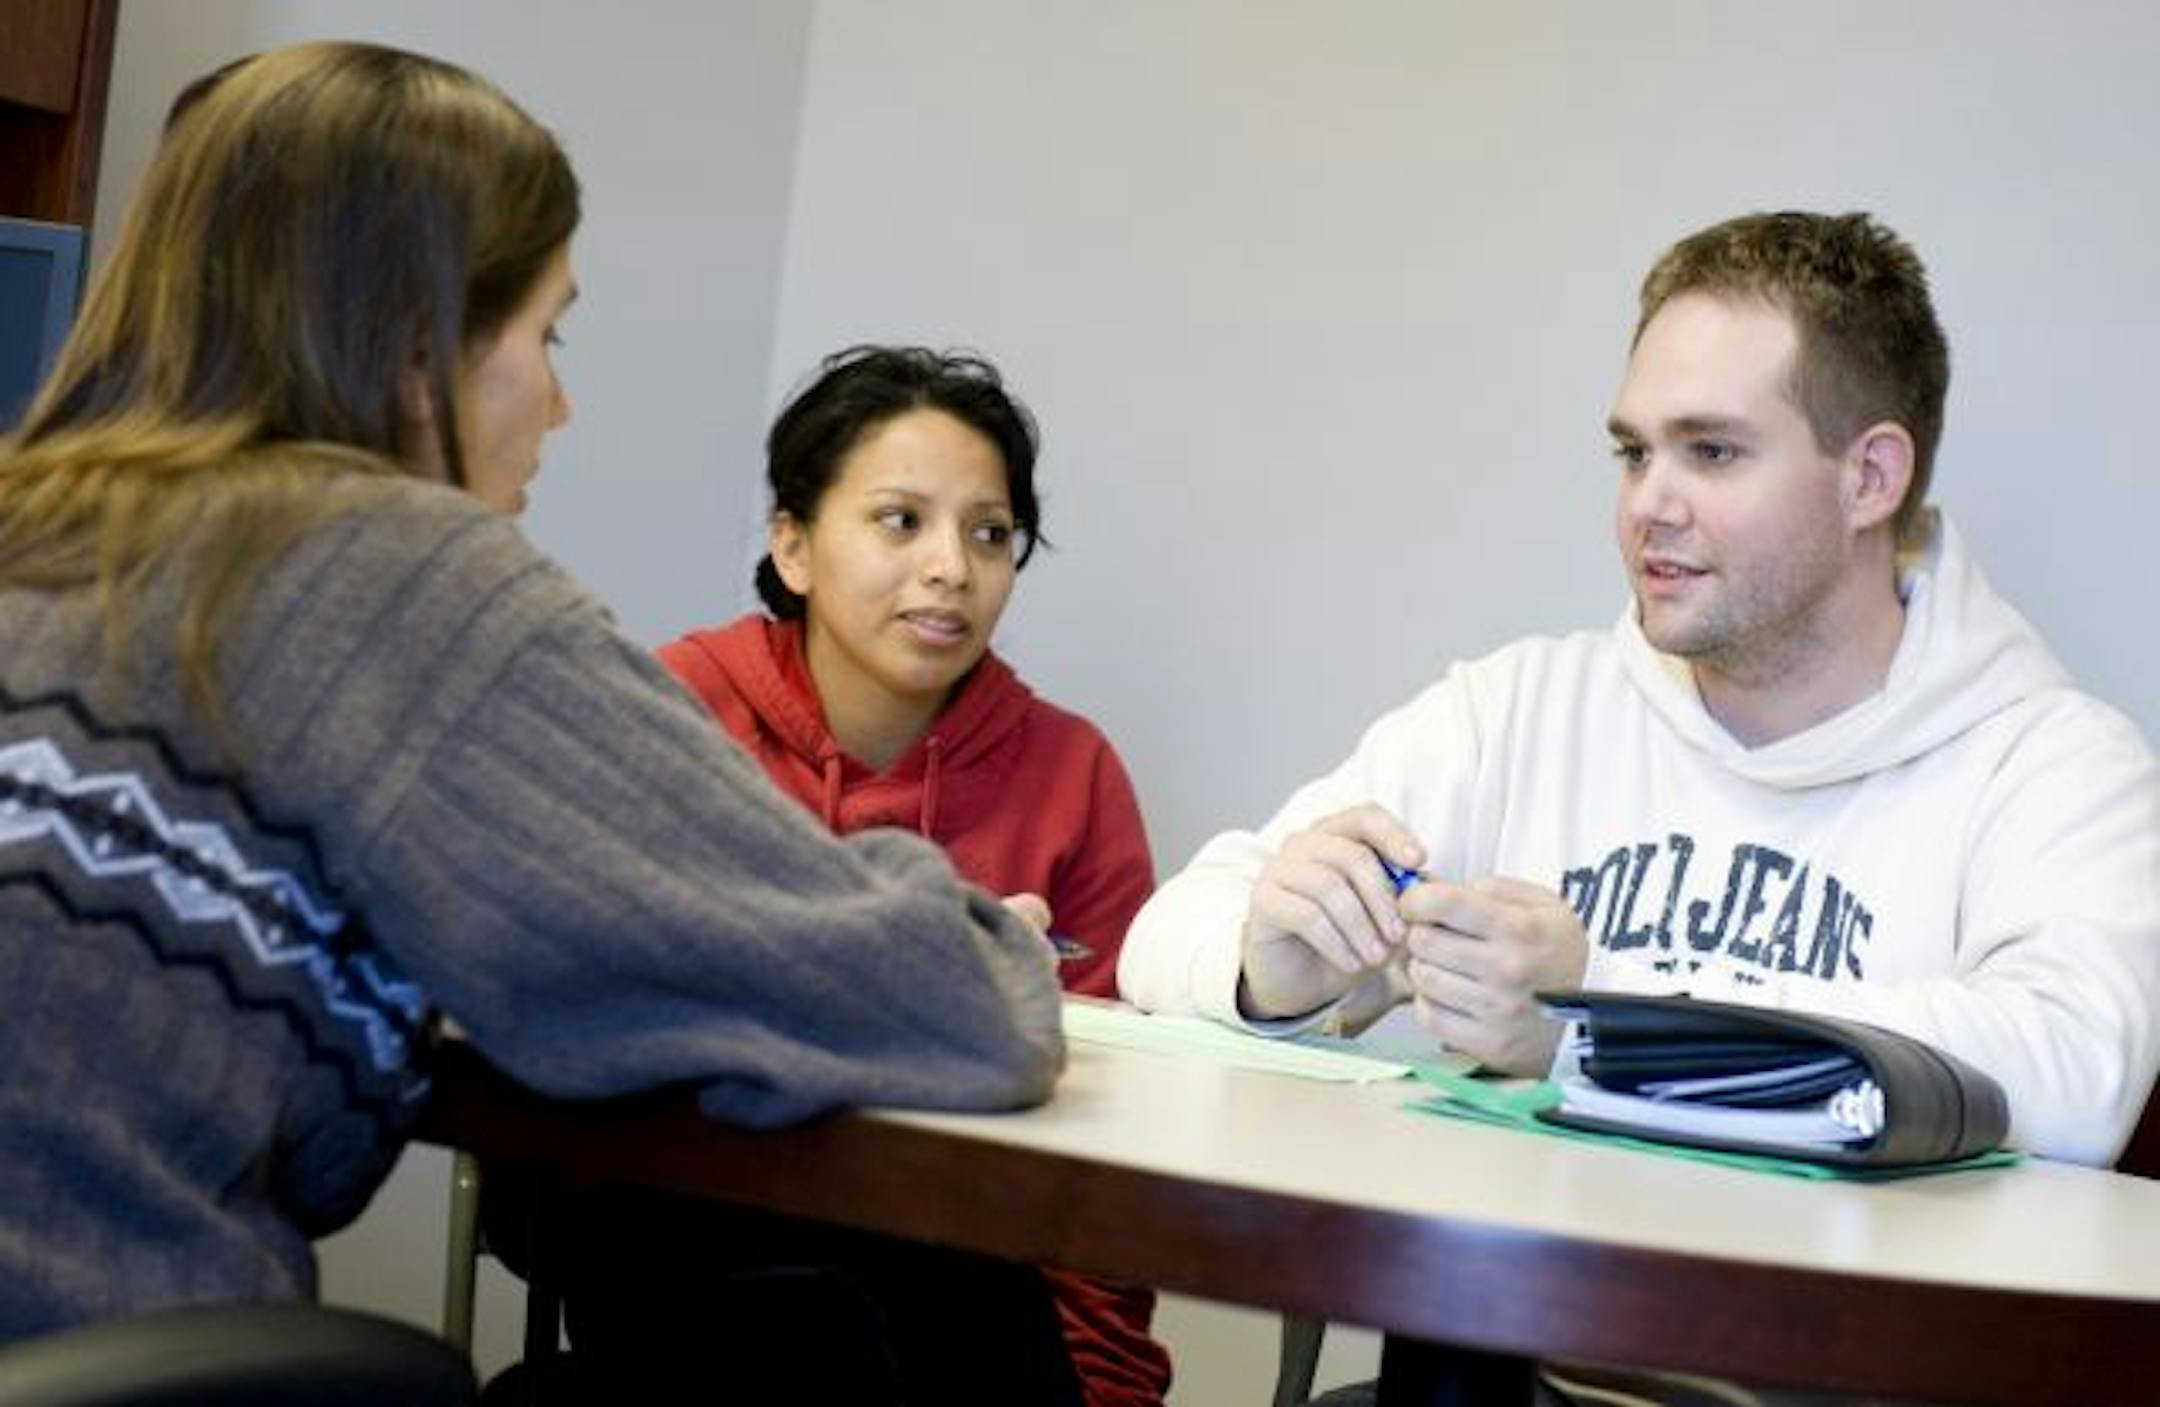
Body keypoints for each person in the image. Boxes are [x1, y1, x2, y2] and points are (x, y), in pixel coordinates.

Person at [0, 41, 1077, 1399]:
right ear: (415, 345)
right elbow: (947, 1007)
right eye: (544, 334)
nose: (559, 401)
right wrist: (996, 941)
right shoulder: (384, 572)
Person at [1120, 209, 2160, 1172]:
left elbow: (2075, 1083)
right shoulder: (1519, 711)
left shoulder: (2057, 765)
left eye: (1711, 452)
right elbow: (1162, 939)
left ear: (1871, 478)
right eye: (1633, 453)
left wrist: (1599, 1010)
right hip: (1517, 1352)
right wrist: (1271, 972)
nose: (1646, 507)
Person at [604, 346, 1169, 1407]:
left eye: (989, 534)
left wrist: (1099, 1387)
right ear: (794, 545)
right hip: (688, 1241)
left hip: (969, 1285)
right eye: (901, 521)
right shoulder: (677, 711)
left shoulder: (1072, 773)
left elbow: (1103, 1153)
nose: (952, 567)